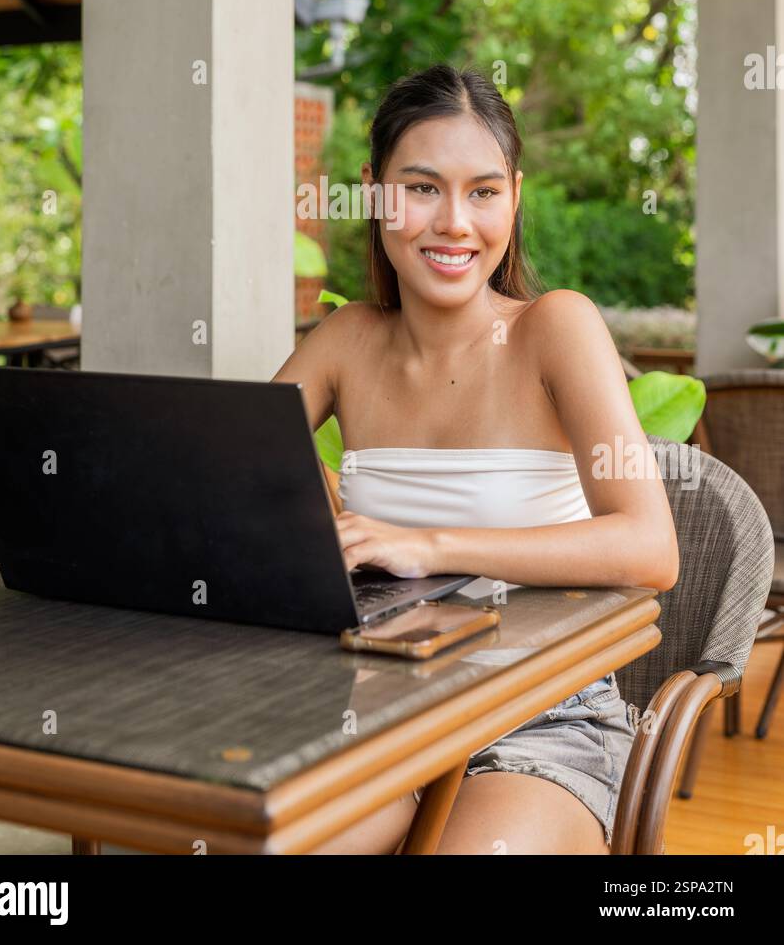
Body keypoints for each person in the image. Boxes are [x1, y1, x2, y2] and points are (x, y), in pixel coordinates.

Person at [272, 63, 679, 854]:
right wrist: (330, 510)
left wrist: (426, 545)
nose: (454, 222)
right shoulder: (347, 340)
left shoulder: (555, 329)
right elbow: (235, 467)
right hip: (376, 710)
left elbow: (647, 546)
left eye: (483, 191)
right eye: (422, 188)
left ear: (513, 197)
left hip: (541, 716)